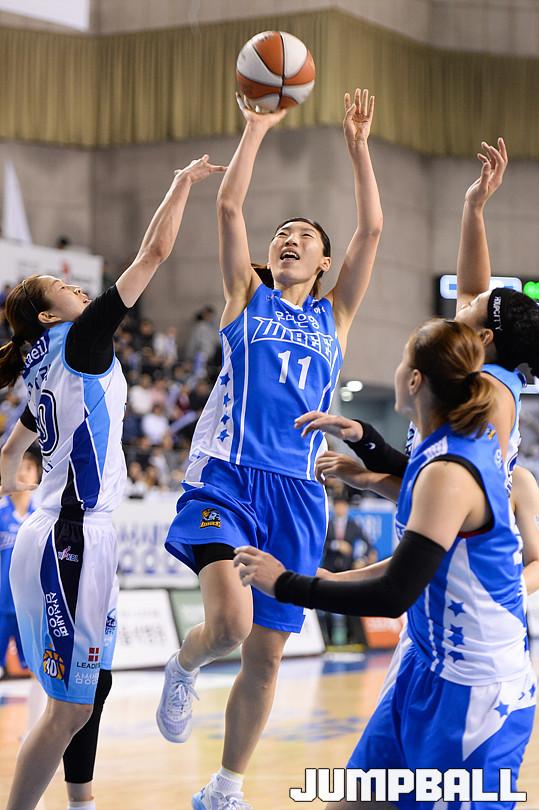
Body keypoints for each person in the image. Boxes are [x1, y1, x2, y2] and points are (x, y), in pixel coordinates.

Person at [157, 88, 383, 810]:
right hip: (228, 477)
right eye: (281, 233)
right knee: (229, 625)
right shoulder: (244, 297)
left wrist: (358, 150)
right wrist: (255, 127)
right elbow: (229, 207)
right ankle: (184, 663)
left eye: (303, 236)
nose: (287, 239)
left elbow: (372, 231)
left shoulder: (335, 316)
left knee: (267, 654)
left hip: (298, 494)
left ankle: (225, 787)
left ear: (322, 261)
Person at [235, 318, 537, 810]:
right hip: (424, 660)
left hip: (476, 691)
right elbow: (409, 561)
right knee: (352, 802)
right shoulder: (436, 451)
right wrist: (326, 577)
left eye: (402, 361)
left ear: (414, 380)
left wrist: (287, 585)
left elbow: (395, 592)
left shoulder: (451, 470)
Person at [0, 154, 225, 810]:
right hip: (68, 537)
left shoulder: (43, 362)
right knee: (68, 707)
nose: (77, 290)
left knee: (90, 688)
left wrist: (13, 488)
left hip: (68, 533)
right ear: (49, 316)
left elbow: (13, 448)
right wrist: (180, 183)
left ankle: (82, 803)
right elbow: (154, 251)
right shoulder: (78, 342)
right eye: (62, 288)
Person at [0, 452, 39, 677]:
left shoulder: (41, 518)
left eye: (29, 467)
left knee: (37, 670)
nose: (23, 472)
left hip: (28, 607)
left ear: (38, 474)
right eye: (18, 466)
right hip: (1, 603)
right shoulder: (1, 511)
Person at [319, 495, 374, 646]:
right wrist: (337, 545)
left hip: (348, 569)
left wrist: (362, 560)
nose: (340, 508)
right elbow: (320, 543)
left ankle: (352, 638)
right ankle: (329, 640)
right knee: (327, 603)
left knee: (350, 603)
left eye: (343, 505)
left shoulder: (353, 525)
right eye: (338, 505)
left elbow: (368, 544)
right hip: (330, 568)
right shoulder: (328, 524)